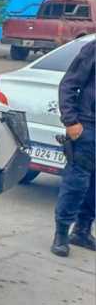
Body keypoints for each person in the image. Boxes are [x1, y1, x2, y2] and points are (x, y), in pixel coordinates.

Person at [51, 38, 96, 256]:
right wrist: (71, 121)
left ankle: (82, 231)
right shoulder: (93, 49)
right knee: (76, 183)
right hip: (88, 127)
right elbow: (69, 85)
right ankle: (61, 234)